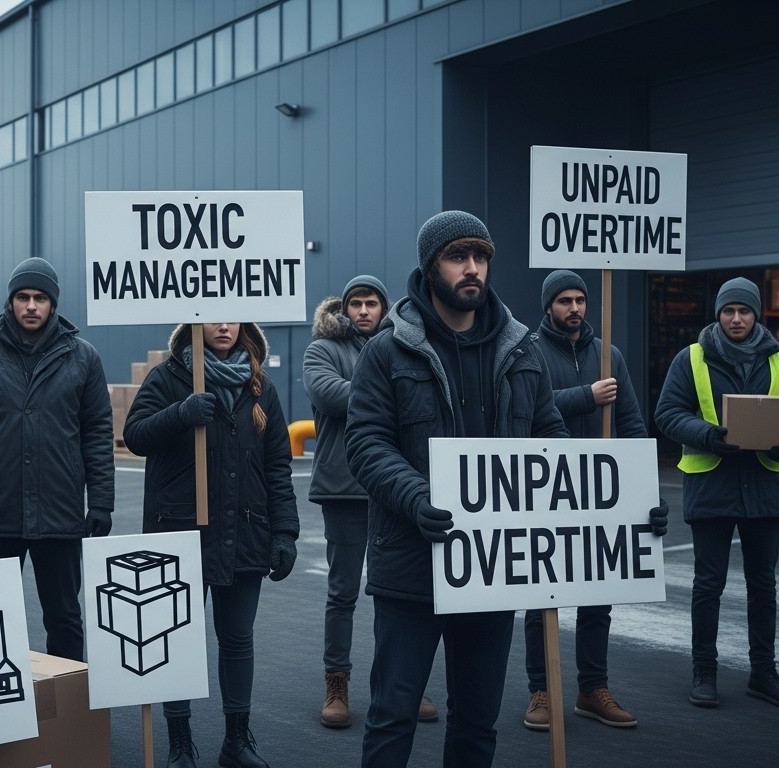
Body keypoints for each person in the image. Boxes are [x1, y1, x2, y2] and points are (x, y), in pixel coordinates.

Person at [344, 210, 569, 767]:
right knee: (393, 714)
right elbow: (366, 443)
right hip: (411, 567)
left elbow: (552, 438)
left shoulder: (522, 349)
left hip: (491, 571)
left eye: (482, 257)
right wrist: (417, 497)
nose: (472, 269)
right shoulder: (388, 349)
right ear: (430, 266)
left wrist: (621, 506)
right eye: (458, 257)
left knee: (476, 723)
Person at [125, 322, 299, 768]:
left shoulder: (260, 385)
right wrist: (181, 413)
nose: (223, 325)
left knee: (238, 639)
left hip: (244, 533)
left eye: (233, 315)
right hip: (179, 534)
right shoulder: (167, 377)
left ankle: (236, 743)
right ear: (193, 323)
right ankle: (180, 744)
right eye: (213, 315)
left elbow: (278, 464)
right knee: (176, 641)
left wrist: (285, 531)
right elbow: (135, 435)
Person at [655, 276, 779, 710]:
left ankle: (763, 674)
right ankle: (704, 671)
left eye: (744, 310)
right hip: (713, 485)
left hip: (762, 487)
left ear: (756, 314)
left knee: (764, 586)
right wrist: (708, 435)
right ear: (718, 314)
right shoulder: (692, 359)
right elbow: (667, 413)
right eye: (729, 311)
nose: (736, 318)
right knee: (709, 585)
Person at [522, 269, 668, 731]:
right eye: (564, 300)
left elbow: (631, 423)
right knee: (541, 598)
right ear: (549, 306)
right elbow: (526, 411)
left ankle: (591, 688)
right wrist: (586, 396)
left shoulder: (610, 355)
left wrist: (645, 492)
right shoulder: (528, 350)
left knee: (597, 597)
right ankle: (541, 691)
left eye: (581, 300)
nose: (575, 308)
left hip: (600, 495)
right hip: (546, 489)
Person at [304, 274, 440, 729]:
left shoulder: (403, 347)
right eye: (356, 303)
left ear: (384, 309)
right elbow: (331, 395)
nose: (364, 311)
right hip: (344, 489)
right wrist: (389, 391)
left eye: (372, 304)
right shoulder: (321, 350)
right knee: (343, 593)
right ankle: (336, 683)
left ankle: (402, 686)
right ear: (344, 309)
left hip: (397, 489)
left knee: (401, 592)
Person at [0, 257, 115, 662]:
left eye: (40, 298)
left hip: (60, 513)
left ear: (53, 304)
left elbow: (98, 431)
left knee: (64, 617)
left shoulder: (83, 357)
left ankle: (68, 714)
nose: (31, 306)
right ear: (10, 302)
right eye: (23, 297)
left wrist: (100, 502)